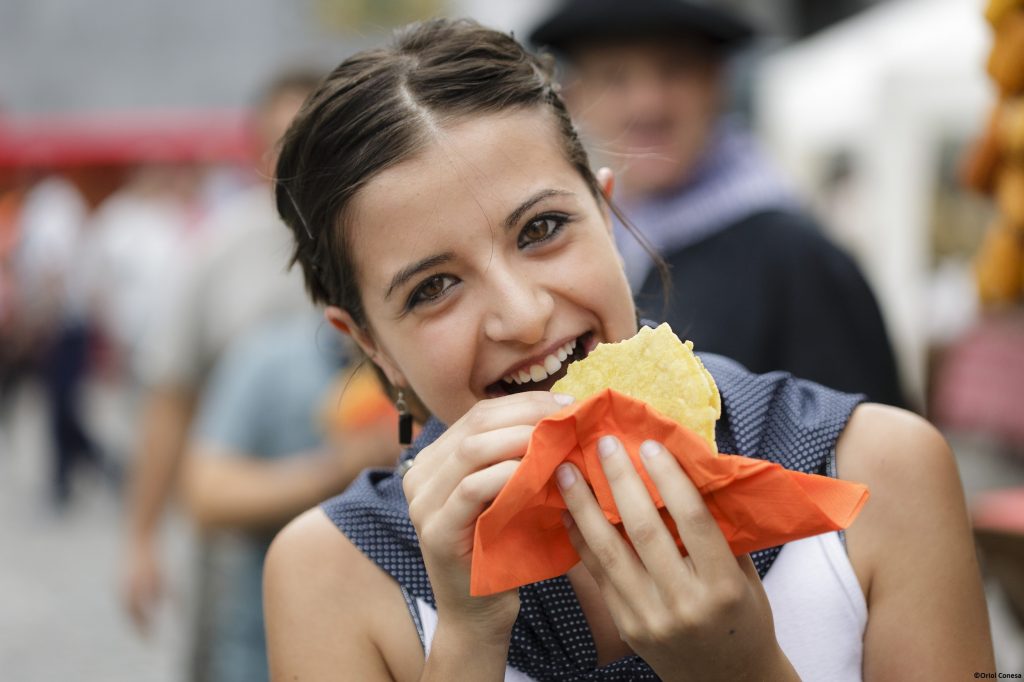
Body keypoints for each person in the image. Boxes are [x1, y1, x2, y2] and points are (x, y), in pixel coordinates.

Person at [262, 19, 994, 680]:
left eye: (541, 229)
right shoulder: (334, 573)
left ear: (609, 214)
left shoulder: (880, 471)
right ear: (370, 344)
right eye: (433, 288)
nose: (523, 316)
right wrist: (468, 639)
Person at [529, 0, 907, 408]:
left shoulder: (797, 258)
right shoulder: (582, 255)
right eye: (614, 77)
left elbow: (873, 438)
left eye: (674, 70)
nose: (648, 103)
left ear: (717, 85)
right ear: (575, 97)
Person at [119, 70, 321, 634]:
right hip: (238, 546)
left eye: (311, 137)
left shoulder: (374, 237)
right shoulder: (218, 250)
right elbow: (171, 396)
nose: (296, 159)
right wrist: (142, 539)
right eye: (281, 141)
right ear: (257, 150)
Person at [179, 311, 400, 682]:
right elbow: (206, 495)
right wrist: (339, 468)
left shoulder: (424, 360)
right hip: (258, 647)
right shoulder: (269, 359)